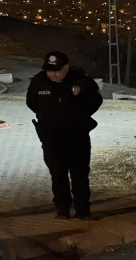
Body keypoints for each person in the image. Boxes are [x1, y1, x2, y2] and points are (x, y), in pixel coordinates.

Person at [26, 51, 103, 219]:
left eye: (57, 70)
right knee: (57, 174)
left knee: (79, 174)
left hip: (77, 136)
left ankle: (82, 210)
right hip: (51, 137)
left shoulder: (81, 81)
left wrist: (78, 116)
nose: (52, 74)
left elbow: (95, 101)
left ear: (67, 67)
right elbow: (31, 102)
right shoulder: (39, 81)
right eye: (49, 70)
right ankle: (62, 209)